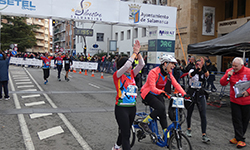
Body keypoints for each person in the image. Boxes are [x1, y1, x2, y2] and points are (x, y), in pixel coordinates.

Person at [139, 54, 186, 135]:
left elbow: (176, 84)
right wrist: (162, 92)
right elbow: (152, 88)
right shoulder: (153, 72)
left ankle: (166, 135)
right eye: (172, 64)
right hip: (148, 93)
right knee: (160, 108)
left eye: (174, 64)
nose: (174, 66)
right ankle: (144, 122)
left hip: (159, 94)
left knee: (163, 113)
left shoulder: (169, 74)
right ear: (165, 64)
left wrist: (185, 94)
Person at [112, 40, 145, 150]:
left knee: (123, 131)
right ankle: (119, 146)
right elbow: (127, 65)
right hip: (121, 108)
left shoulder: (132, 74)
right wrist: (134, 53)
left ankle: (116, 146)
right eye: (131, 65)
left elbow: (142, 64)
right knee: (127, 136)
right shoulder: (117, 75)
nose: (131, 66)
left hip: (132, 107)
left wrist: (138, 52)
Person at [220, 57, 250, 148]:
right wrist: (227, 76)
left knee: (244, 120)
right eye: (233, 65)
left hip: (246, 101)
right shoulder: (229, 71)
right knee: (236, 120)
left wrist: (248, 92)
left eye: (236, 66)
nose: (234, 67)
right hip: (235, 100)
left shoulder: (248, 72)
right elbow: (222, 83)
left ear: (242, 65)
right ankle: (240, 139)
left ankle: (239, 137)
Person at [185, 57, 210, 143]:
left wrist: (203, 67)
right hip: (191, 92)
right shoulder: (191, 70)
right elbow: (191, 75)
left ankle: (204, 134)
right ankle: (188, 129)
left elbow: (207, 75)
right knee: (189, 111)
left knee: (203, 114)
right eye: (197, 63)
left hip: (200, 92)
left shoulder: (203, 71)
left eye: (200, 63)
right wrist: (197, 69)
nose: (198, 65)